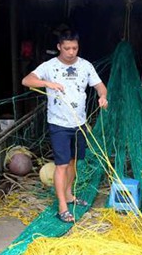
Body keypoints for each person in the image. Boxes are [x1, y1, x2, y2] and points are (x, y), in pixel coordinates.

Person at [22, 30, 108, 223]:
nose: (71, 52)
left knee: (74, 162)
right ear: (59, 47)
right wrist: (47, 83)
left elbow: (100, 86)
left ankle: (69, 195)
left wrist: (103, 97)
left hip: (80, 123)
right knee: (61, 165)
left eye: (74, 48)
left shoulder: (85, 65)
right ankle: (62, 206)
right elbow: (26, 80)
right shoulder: (49, 66)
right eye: (67, 48)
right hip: (59, 124)